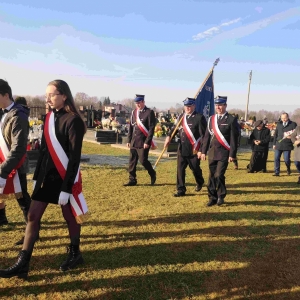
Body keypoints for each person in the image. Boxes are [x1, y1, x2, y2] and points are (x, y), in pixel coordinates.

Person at [0, 79, 88, 279]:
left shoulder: (73, 120)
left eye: (52, 94)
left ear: (64, 96)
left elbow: (74, 159)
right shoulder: (48, 117)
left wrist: (67, 189)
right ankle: (23, 262)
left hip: (65, 177)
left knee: (70, 217)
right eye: (46, 94)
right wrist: (36, 177)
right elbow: (45, 152)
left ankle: (75, 253)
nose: (47, 98)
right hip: (47, 178)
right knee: (32, 216)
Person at [0, 81, 32, 246]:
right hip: (5, 163)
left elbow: (18, 148)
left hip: (15, 165)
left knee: (23, 200)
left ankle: (32, 232)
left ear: (6, 95)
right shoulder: (4, 113)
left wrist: (3, 170)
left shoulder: (18, 115)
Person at [164, 97, 207, 197]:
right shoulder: (180, 117)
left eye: (190, 106)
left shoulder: (199, 117)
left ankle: (200, 181)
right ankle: (181, 189)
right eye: (186, 106)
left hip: (194, 149)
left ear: (194, 106)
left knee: (195, 168)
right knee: (180, 169)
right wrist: (168, 136)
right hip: (182, 148)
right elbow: (174, 129)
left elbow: (204, 135)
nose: (187, 108)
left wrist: (201, 150)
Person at [201, 96, 239, 206]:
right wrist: (203, 151)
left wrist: (232, 154)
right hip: (212, 152)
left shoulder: (231, 119)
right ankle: (212, 197)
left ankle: (221, 195)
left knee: (219, 175)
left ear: (225, 105)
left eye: (221, 105)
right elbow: (207, 137)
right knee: (211, 176)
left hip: (224, 152)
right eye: (217, 105)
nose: (218, 107)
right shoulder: (211, 119)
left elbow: (233, 138)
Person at [123, 94, 156, 186]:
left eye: (139, 102)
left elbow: (151, 128)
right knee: (132, 161)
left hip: (143, 141)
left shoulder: (149, 112)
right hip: (134, 140)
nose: (137, 104)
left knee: (143, 160)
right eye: (136, 103)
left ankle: (152, 173)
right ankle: (132, 180)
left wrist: (147, 142)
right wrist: (128, 140)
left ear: (143, 102)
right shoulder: (134, 112)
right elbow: (130, 127)